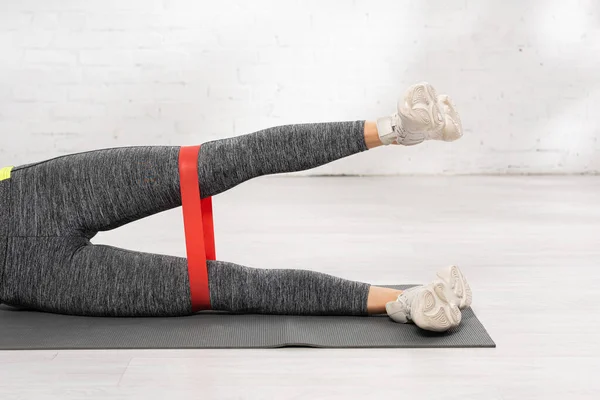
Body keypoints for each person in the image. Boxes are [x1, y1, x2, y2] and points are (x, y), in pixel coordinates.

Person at [0, 82, 470, 332]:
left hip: (34, 194)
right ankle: (406, 303)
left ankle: (399, 128)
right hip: (35, 273)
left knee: (220, 160)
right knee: (231, 288)